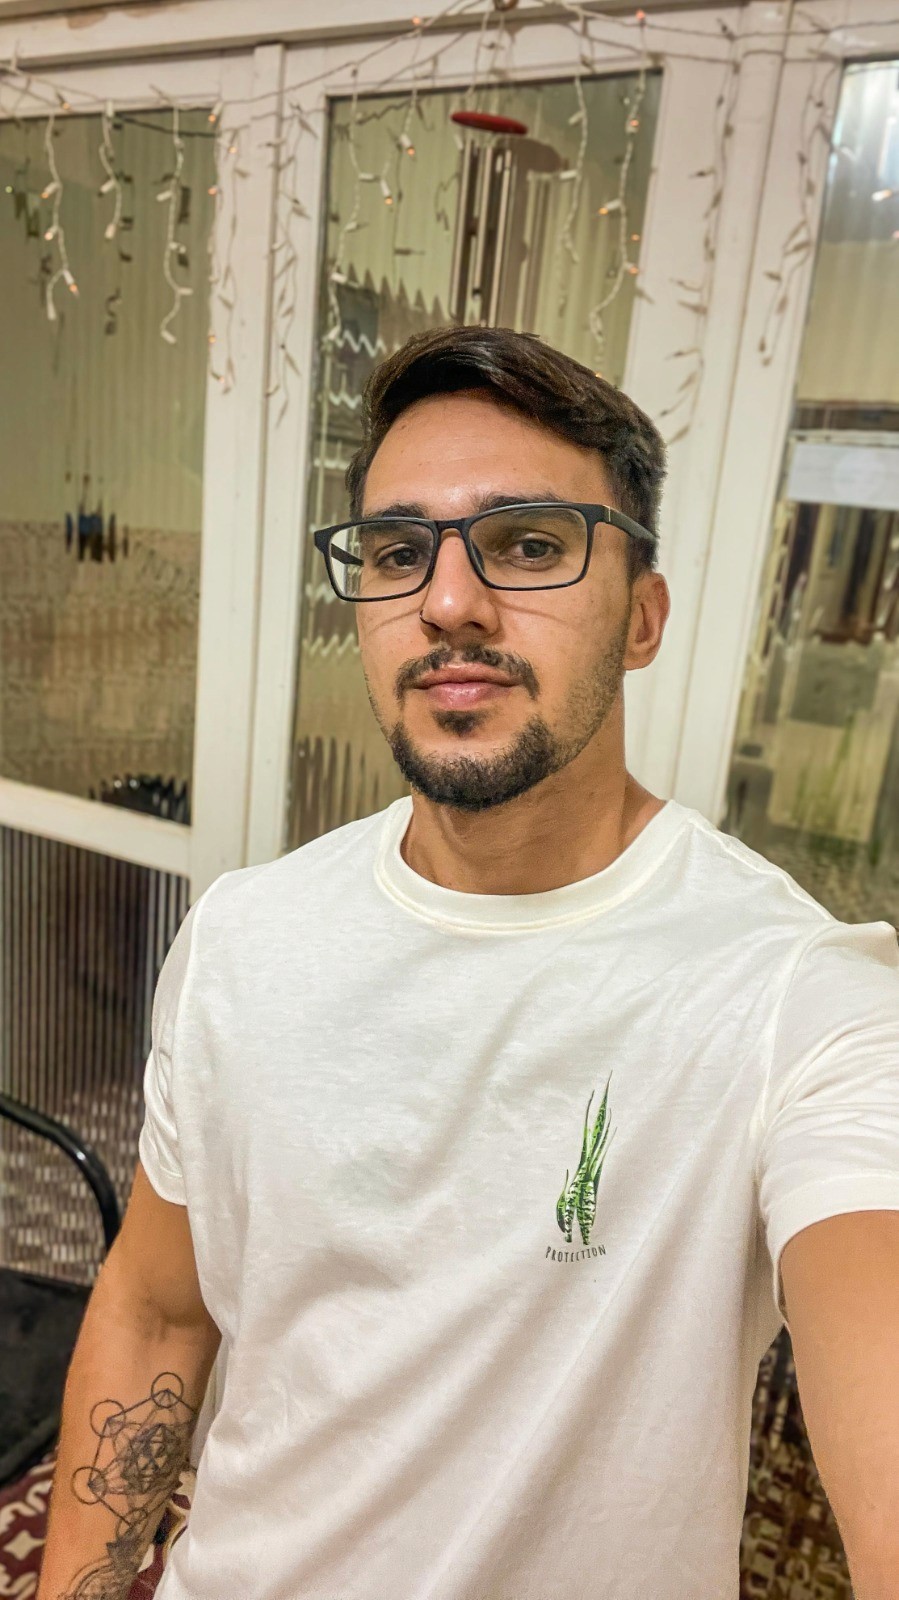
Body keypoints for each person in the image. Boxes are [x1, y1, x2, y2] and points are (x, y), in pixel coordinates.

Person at [38, 326, 899, 1600]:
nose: (448, 603)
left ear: (641, 618)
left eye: (529, 544)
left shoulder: (794, 997)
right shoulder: (244, 934)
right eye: (398, 552)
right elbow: (158, 1311)